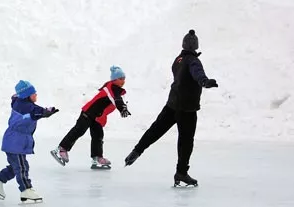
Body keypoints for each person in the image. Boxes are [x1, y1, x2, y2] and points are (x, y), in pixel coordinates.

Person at [124, 30, 218, 186]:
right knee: (186, 142)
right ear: (195, 46)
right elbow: (197, 73)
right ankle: (181, 172)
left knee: (155, 130)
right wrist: (205, 82)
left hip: (172, 104)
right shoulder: (193, 61)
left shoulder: (178, 60)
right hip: (186, 109)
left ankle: (137, 150)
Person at [0, 80, 58, 203]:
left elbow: (30, 108)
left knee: (17, 167)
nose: (36, 95)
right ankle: (26, 190)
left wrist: (45, 111)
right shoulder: (26, 107)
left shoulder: (20, 103)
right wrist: (45, 112)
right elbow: (35, 111)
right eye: (33, 93)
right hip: (15, 142)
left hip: (14, 141)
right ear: (27, 95)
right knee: (22, 167)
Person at [51, 66, 131, 169]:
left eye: (124, 78)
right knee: (79, 130)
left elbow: (117, 100)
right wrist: (122, 108)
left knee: (98, 136)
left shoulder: (116, 90)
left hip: (97, 117)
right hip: (88, 113)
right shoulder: (110, 88)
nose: (123, 81)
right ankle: (61, 149)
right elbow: (116, 99)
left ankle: (97, 158)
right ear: (114, 80)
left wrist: (123, 107)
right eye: (121, 79)